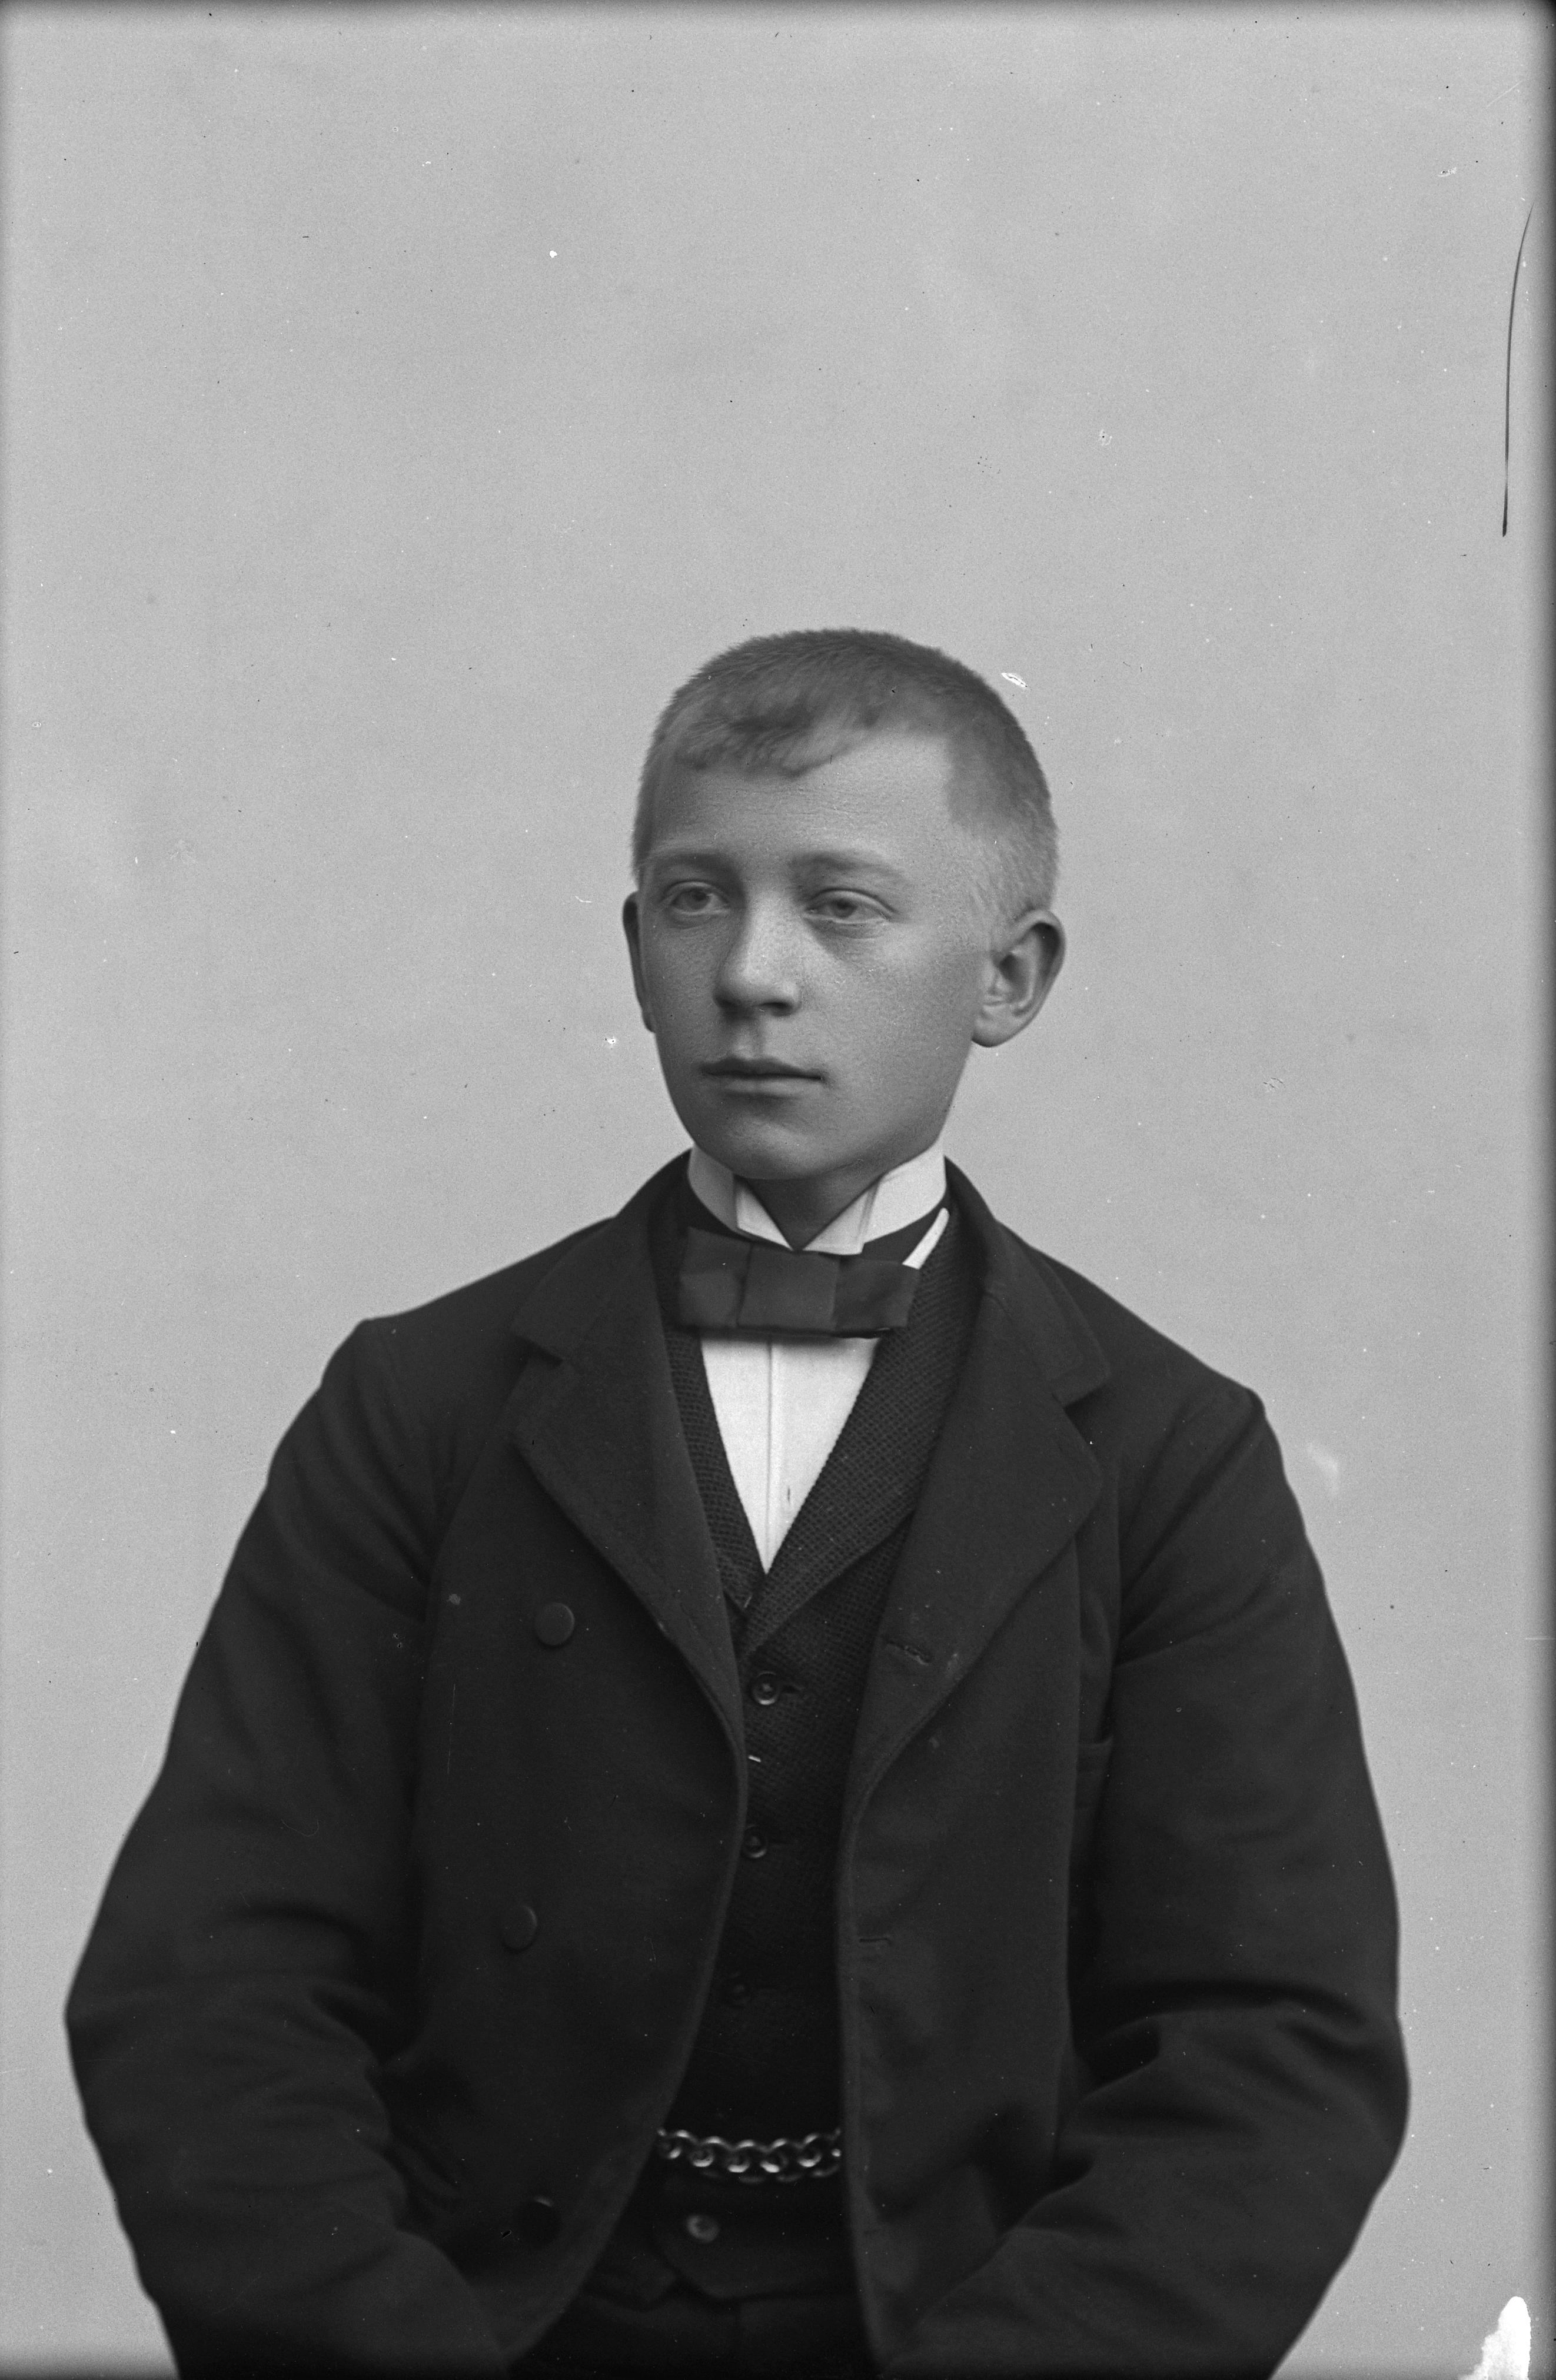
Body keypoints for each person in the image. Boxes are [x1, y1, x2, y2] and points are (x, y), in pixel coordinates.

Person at [67, 629, 1408, 2379]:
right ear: (634, 950)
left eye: (841, 909)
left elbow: (1271, 2045)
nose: (754, 975)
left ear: (1008, 978)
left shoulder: (1169, 1454)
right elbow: (210, 1987)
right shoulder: (422, 1404)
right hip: (490, 2321)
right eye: (697, 900)